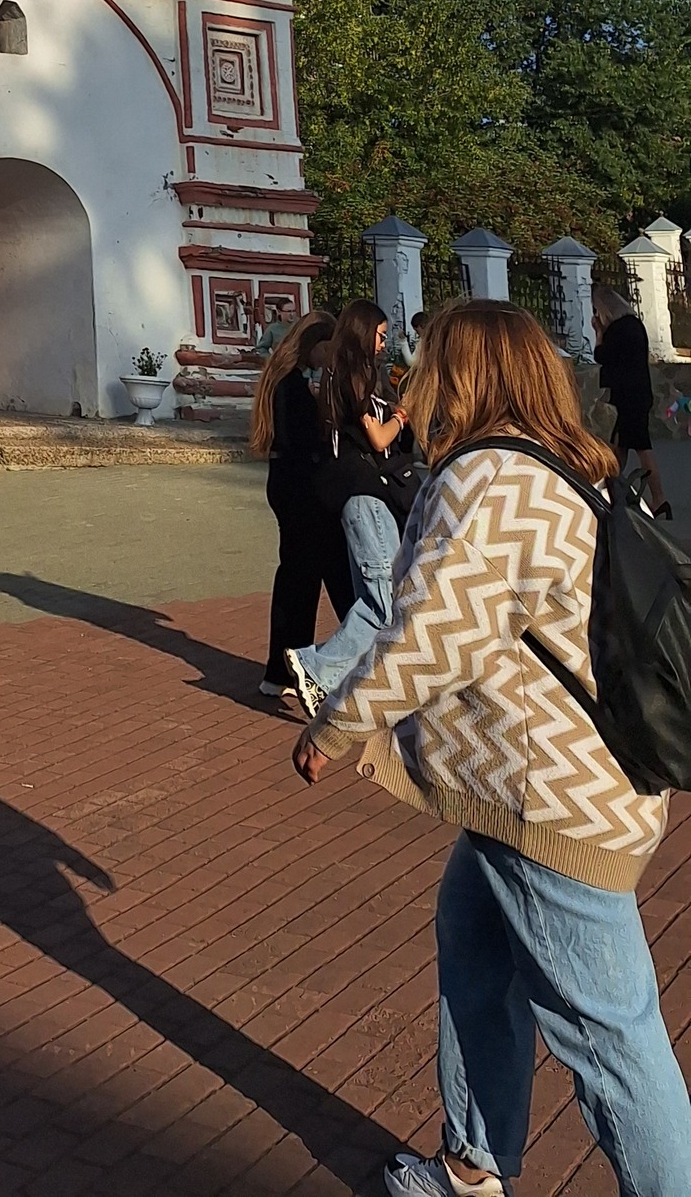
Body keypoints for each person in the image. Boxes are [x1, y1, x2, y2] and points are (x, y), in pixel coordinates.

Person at [293, 302, 688, 1197]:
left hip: (545, 797)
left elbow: (430, 638)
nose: (418, 377)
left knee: (614, 1043)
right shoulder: (563, 466)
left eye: (432, 360)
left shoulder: (486, 480)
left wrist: (336, 727)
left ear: (461, 372)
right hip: (561, 780)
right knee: (473, 940)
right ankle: (472, 1166)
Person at [282, 297, 417, 718]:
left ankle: (344, 682)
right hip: (365, 496)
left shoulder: (337, 373)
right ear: (364, 333)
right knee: (384, 603)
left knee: (374, 601)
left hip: (358, 497)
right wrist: (403, 414)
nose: (383, 344)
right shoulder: (357, 371)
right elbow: (378, 439)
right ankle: (316, 668)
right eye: (380, 335)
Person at [250, 312, 352, 698]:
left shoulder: (280, 380)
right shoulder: (292, 387)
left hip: (285, 483)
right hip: (302, 487)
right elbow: (304, 441)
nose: (331, 357)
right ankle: (314, 665)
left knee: (299, 577)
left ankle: (283, 670)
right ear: (316, 346)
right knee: (328, 575)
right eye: (329, 349)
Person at [593, 284, 673, 523]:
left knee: (640, 447)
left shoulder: (617, 329)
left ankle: (658, 499)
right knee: (620, 445)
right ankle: (610, 489)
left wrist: (598, 332)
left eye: (598, 311)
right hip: (637, 394)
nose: (597, 316)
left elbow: (601, 356)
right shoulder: (634, 324)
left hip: (629, 396)